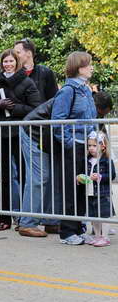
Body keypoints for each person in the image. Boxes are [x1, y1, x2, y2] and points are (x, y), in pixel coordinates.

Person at [0, 49, 42, 231]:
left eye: (11, 61)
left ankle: (24, 219)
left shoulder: (27, 82)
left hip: (21, 133)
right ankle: (5, 218)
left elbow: (36, 108)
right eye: (5, 62)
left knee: (25, 175)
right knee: (7, 177)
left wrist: (14, 108)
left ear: (17, 62)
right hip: (2, 133)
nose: (8, 64)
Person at [52, 51, 97, 245]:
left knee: (82, 187)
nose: (91, 68)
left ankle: (79, 227)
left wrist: (93, 138)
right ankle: (67, 231)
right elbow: (57, 121)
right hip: (73, 146)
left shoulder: (86, 89)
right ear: (78, 67)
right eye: (88, 65)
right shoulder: (68, 90)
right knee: (70, 188)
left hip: (86, 145)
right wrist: (70, 144)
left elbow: (91, 117)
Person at [82, 131, 115, 247]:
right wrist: (81, 177)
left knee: (104, 216)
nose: (91, 148)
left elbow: (112, 175)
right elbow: (85, 174)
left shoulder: (106, 160)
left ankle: (105, 237)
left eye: (94, 146)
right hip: (90, 192)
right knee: (94, 216)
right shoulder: (87, 160)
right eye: (89, 145)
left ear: (103, 146)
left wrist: (101, 176)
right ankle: (97, 236)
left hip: (102, 193)